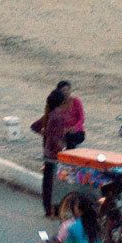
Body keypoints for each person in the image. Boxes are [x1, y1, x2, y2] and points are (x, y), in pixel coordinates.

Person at [30, 81, 84, 216]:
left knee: (48, 181)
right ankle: (54, 209)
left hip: (48, 152)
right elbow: (56, 138)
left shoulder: (49, 114)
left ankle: (49, 210)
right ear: (61, 102)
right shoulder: (58, 116)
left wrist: (45, 134)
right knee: (56, 183)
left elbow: (35, 126)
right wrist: (63, 149)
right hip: (55, 154)